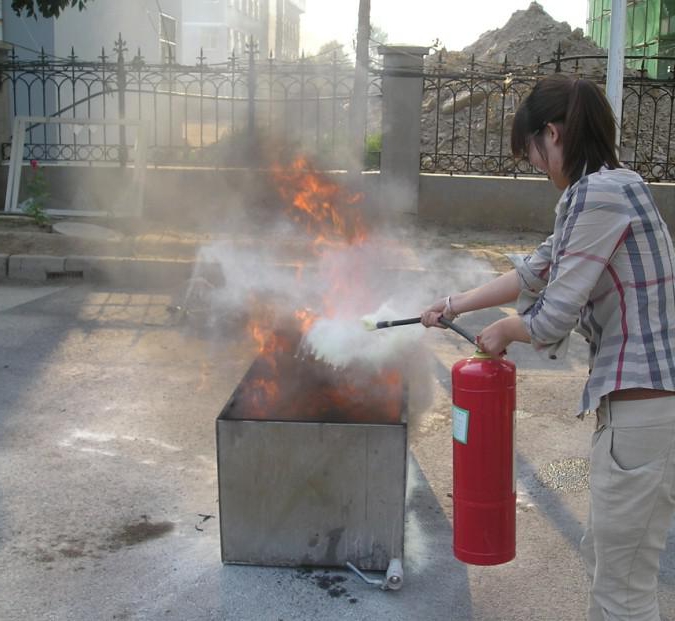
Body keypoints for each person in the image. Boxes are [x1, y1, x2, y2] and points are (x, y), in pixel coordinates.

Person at [421, 74, 675, 621]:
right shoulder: (616, 185)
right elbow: (538, 269)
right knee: (614, 567)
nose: (537, 164)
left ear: (553, 134)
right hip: (644, 407)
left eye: (533, 150)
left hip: (643, 410)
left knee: (621, 590)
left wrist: (505, 331)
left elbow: (553, 312)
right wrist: (454, 304)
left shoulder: (597, 196)